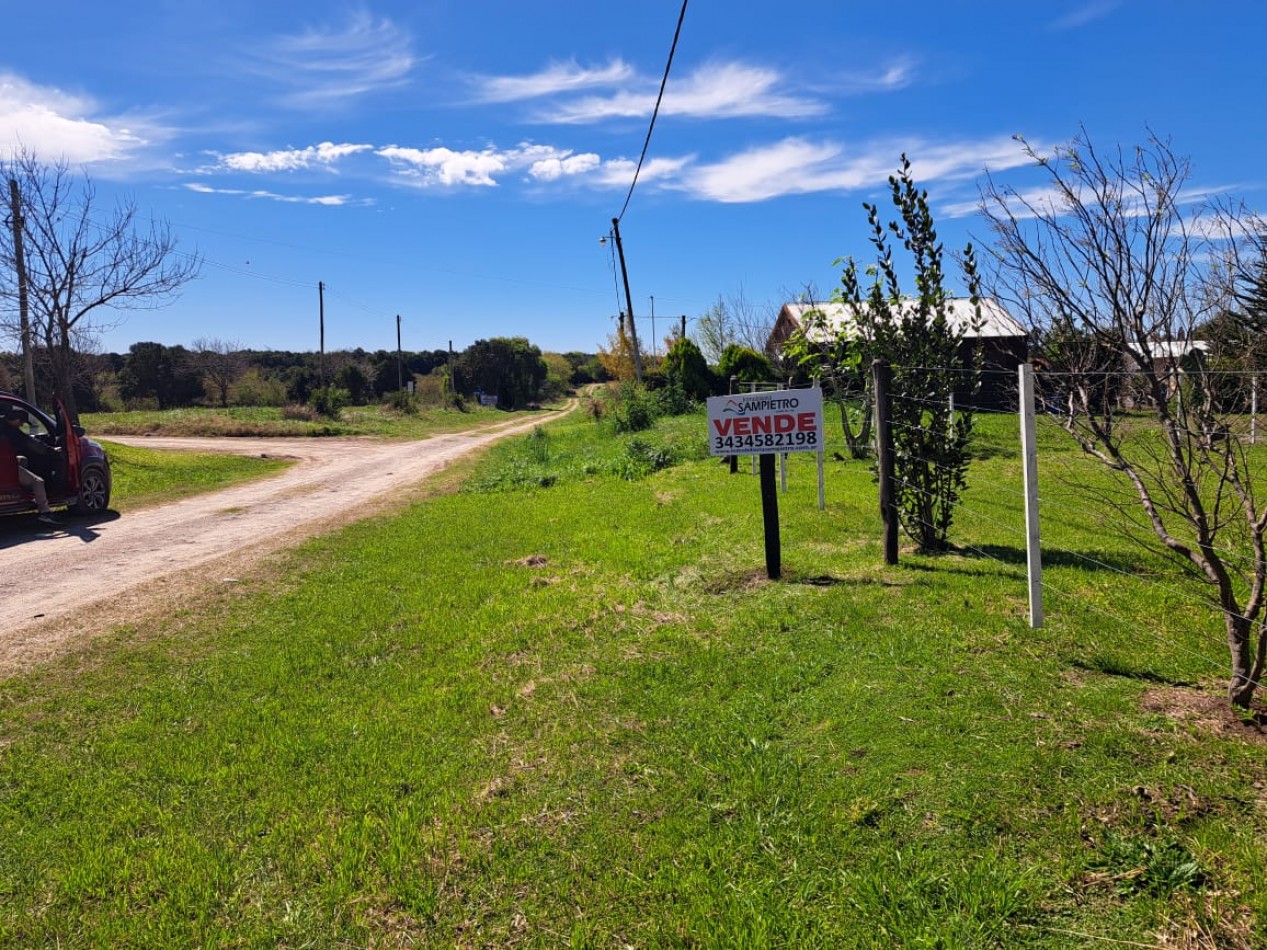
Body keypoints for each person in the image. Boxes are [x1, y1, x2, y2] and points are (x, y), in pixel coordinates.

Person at [2, 406, 60, 525]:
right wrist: (51, 450)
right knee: (38, 482)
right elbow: (32, 443)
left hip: (5, 460)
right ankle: (45, 513)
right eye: (22, 422)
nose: (22, 425)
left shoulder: (2, 425)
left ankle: (23, 494)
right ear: (16, 419)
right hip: (5, 465)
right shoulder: (13, 432)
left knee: (22, 460)